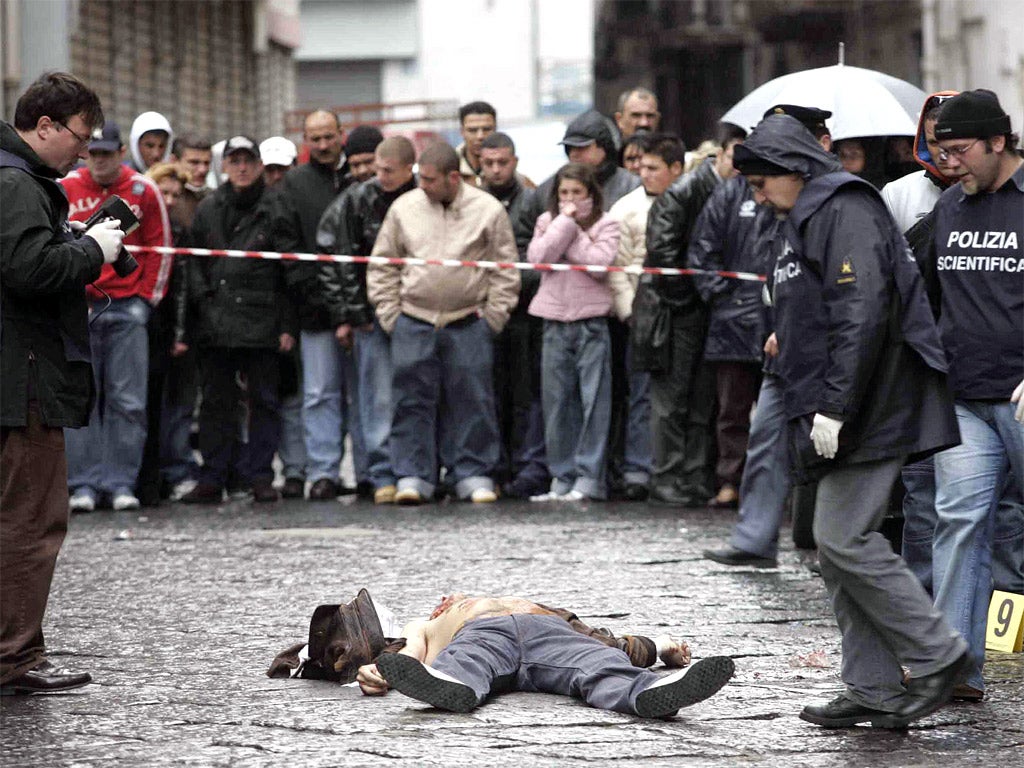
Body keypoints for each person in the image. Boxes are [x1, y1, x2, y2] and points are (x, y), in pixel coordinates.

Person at [734, 112, 969, 729]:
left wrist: (835, 408)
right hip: (834, 403)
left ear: (791, 171)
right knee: (836, 550)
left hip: (869, 402)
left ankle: (938, 652)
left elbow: (862, 310)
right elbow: (819, 305)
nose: (757, 196)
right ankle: (874, 689)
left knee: (844, 540)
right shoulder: (802, 217)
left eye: (761, 183)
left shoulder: (844, 207)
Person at [1, 71, 120, 694]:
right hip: (23, 383)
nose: (83, 149)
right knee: (30, 521)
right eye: (79, 134)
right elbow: (28, 269)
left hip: (13, 374)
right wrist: (92, 251)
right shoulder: (18, 183)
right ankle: (15, 658)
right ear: (43, 126)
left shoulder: (14, 179)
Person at [702, 105, 834, 567]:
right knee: (764, 435)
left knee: (824, 447)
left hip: (822, 350)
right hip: (781, 341)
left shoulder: (833, 206)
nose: (757, 196)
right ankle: (755, 537)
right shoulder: (777, 206)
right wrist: (779, 325)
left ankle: (830, 544)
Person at [927, 89, 1024, 701]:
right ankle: (955, 671)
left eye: (959, 150)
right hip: (962, 397)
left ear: (997, 141)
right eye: (940, 151)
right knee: (959, 524)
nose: (948, 162)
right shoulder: (947, 209)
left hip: (1020, 395)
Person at [367, 142, 520, 505]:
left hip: (468, 321)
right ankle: (413, 475)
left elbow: (506, 268)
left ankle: (473, 473)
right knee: (410, 400)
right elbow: (383, 264)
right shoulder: (404, 209)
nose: (422, 185)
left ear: (454, 177)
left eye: (430, 179)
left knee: (473, 399)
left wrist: (492, 319)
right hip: (413, 319)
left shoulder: (488, 210)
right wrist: (392, 315)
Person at [356, 592, 734, 718]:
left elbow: (609, 642)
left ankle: (646, 693)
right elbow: (411, 653)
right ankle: (455, 685)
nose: (448, 597)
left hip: (549, 632)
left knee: (598, 662)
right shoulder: (427, 622)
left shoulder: (537, 607)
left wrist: (663, 648)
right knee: (468, 660)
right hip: (481, 635)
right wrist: (381, 672)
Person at [60, 121, 173, 512]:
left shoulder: (144, 190)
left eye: (107, 153)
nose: (99, 162)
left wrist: (147, 300)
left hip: (128, 307)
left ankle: (121, 482)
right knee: (83, 398)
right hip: (82, 308)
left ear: (121, 153)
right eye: (93, 153)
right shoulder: (68, 187)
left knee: (128, 400)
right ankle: (84, 485)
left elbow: (161, 247)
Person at [177, 136, 297, 504]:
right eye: (235, 161)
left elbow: (292, 271)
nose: (242, 168)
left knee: (264, 402)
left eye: (248, 160)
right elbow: (194, 263)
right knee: (215, 403)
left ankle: (260, 475)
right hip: (216, 321)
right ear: (224, 165)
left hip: (264, 321)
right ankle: (214, 475)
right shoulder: (209, 208)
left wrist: (288, 325)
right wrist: (203, 303)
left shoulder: (278, 206)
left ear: (259, 165)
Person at [641, 123, 745, 506]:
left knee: (705, 400)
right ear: (720, 154)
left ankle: (696, 475)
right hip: (677, 313)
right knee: (672, 400)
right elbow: (663, 258)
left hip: (709, 311)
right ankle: (668, 476)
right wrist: (696, 299)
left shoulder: (737, 191)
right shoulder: (684, 193)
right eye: (736, 154)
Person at [316, 136, 419, 505]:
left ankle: (418, 470)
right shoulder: (358, 200)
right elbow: (339, 256)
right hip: (371, 316)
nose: (378, 176)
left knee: (417, 396)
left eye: (387, 170)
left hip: (419, 313)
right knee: (376, 399)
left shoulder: (424, 196)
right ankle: (381, 473)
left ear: (410, 169)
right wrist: (351, 315)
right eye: (377, 169)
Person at [279, 111, 366, 500]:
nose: (324, 145)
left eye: (329, 136)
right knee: (319, 394)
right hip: (315, 312)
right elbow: (287, 248)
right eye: (315, 138)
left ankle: (370, 471)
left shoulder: (362, 176)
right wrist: (322, 302)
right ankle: (324, 471)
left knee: (365, 394)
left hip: (364, 310)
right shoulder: (293, 184)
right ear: (305, 140)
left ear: (341, 135)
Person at [527, 163, 619, 502]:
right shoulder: (546, 222)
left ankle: (589, 479)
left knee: (594, 403)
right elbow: (538, 258)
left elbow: (598, 264)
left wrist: (568, 232)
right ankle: (560, 478)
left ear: (591, 195)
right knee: (556, 404)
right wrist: (563, 223)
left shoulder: (606, 223)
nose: (570, 200)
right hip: (553, 321)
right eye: (564, 193)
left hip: (591, 323)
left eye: (577, 193)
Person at [608, 133, 687, 500]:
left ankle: (679, 468)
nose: (645, 174)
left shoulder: (690, 199)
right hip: (642, 310)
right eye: (641, 167)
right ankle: (640, 469)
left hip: (683, 308)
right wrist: (629, 311)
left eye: (654, 168)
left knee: (681, 396)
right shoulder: (625, 208)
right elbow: (617, 265)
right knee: (642, 394)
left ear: (676, 169)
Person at [479, 132, 548, 499]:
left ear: (515, 162)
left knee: (525, 394)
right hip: (483, 311)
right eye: (488, 163)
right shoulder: (471, 203)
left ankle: (525, 467)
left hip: (524, 315)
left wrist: (510, 276)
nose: (495, 169)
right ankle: (493, 467)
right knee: (487, 394)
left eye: (502, 162)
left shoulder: (532, 202)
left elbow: (543, 257)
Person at [455, 101, 496, 186]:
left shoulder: (514, 180)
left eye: (487, 129)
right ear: (462, 132)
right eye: (472, 130)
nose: (480, 136)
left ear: (495, 130)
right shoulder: (446, 170)